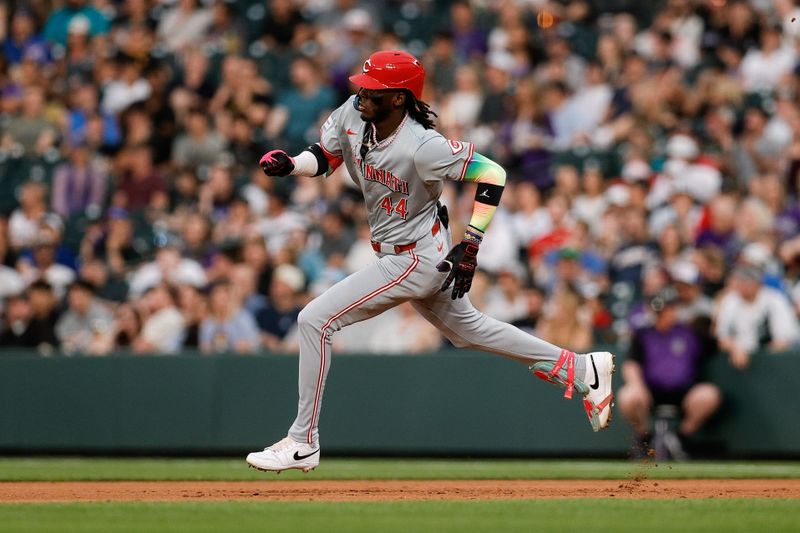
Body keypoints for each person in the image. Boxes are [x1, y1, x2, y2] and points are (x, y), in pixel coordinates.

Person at [245, 51, 615, 473]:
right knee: (469, 330)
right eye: (363, 86)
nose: (362, 93)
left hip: (414, 258)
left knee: (315, 320)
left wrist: (472, 243)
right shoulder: (354, 112)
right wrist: (293, 165)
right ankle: (580, 367)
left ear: (400, 98)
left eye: (374, 90)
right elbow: (325, 155)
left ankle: (302, 441)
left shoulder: (423, 145)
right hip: (408, 249)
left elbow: (493, 174)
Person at [617, 287, 722, 458]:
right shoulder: (643, 334)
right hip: (650, 391)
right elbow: (631, 364)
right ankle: (644, 437)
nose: (664, 314)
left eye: (667, 309)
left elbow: (719, 342)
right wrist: (637, 386)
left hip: (685, 392)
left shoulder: (691, 332)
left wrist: (733, 345)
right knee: (628, 396)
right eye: (659, 311)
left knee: (709, 395)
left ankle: (682, 437)